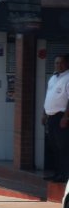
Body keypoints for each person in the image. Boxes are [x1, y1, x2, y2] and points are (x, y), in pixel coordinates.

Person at [41, 54, 69, 183]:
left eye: (61, 63)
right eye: (56, 63)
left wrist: (66, 116)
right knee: (54, 147)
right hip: (50, 117)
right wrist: (44, 113)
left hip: (61, 117)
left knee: (62, 147)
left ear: (67, 64)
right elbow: (48, 96)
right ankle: (57, 173)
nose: (58, 65)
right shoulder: (53, 78)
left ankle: (64, 175)